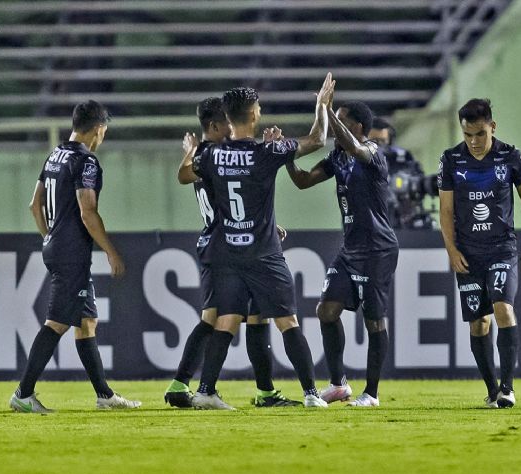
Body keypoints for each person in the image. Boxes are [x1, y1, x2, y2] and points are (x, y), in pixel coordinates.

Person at [179, 75, 334, 409]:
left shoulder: (213, 155)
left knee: (226, 320)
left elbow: (184, 175)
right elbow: (318, 139)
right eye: (258, 107)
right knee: (287, 321)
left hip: (228, 254)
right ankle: (310, 393)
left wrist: (191, 152)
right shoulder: (267, 151)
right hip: (263, 253)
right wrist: (321, 106)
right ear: (253, 116)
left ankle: (205, 390)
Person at [165, 97, 300, 408]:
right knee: (219, 319)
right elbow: (238, 198)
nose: (231, 124)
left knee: (246, 316)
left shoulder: (207, 157)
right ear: (215, 126)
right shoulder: (215, 157)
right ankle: (191, 385)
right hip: (228, 247)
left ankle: (259, 391)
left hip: (226, 243)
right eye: (226, 120)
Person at [9, 100, 141, 413]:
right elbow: (88, 211)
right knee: (57, 323)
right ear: (98, 129)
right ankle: (23, 394)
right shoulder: (86, 161)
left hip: (56, 246)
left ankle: (104, 396)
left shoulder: (56, 154)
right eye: (104, 132)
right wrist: (110, 251)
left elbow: (34, 204)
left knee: (87, 322)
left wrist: (49, 236)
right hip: (71, 253)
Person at [283, 101, 399, 407]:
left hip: (378, 249)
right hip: (350, 249)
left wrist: (326, 109)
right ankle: (338, 384)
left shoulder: (372, 152)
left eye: (342, 121)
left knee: (374, 321)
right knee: (326, 310)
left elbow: (356, 148)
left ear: (357, 127)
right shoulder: (337, 157)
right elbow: (303, 181)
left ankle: (371, 393)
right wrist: (286, 159)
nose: (334, 126)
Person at [437, 98, 521, 408]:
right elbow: (446, 210)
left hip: (501, 248)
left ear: (492, 127)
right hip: (468, 253)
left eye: (480, 134)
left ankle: (508, 389)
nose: (474, 142)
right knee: (478, 323)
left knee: (502, 309)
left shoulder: (510, 156)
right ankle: (492, 389)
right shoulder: (451, 160)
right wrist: (452, 250)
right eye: (468, 135)